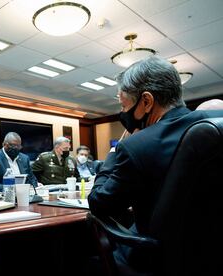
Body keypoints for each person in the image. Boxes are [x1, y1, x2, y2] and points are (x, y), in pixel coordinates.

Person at [87, 56, 223, 274]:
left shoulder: (136, 146)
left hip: (160, 259)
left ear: (147, 101)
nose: (123, 114)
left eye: (124, 106)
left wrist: (115, 150)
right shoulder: (216, 123)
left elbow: (99, 204)